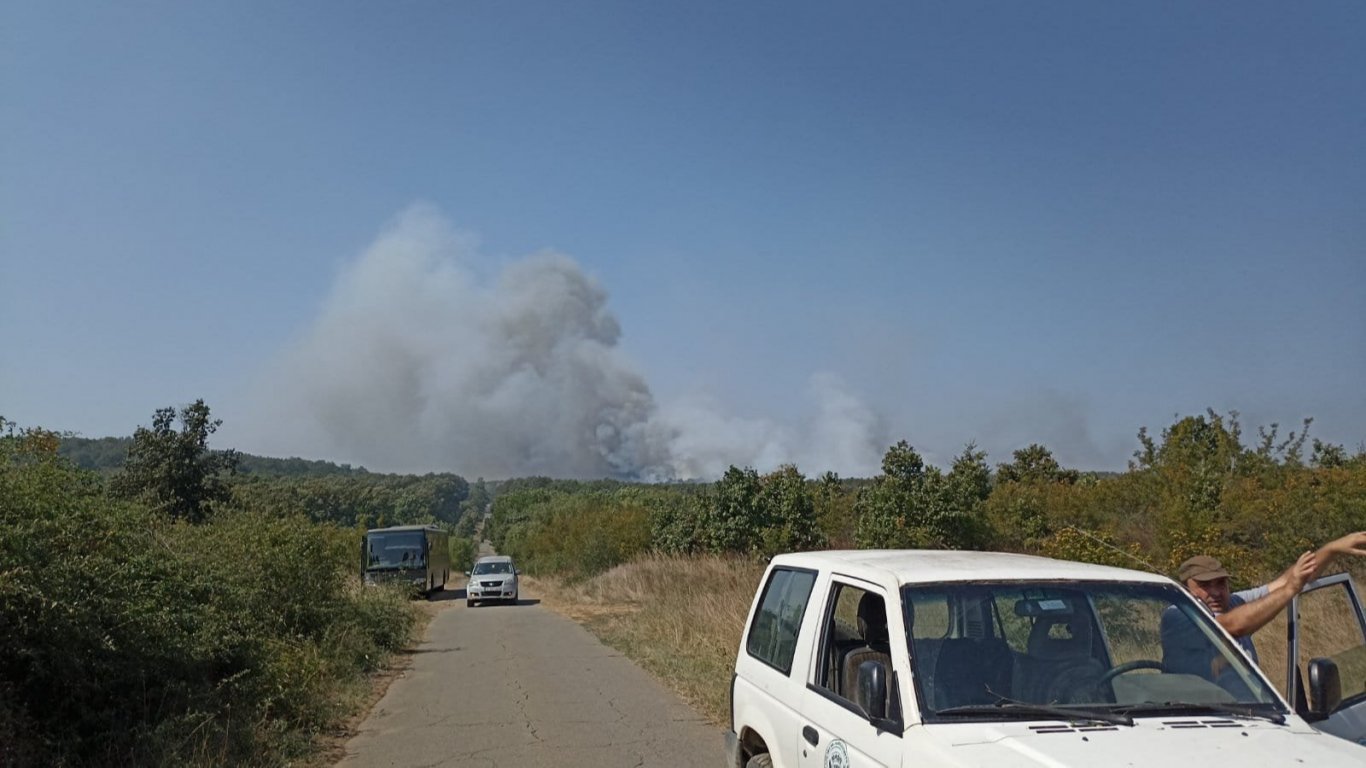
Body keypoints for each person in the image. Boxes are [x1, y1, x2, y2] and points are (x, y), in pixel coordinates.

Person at [1161, 532, 1366, 684]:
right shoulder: (1178, 615)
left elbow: (1290, 580)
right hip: (1199, 714)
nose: (1215, 592)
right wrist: (1291, 589)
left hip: (1250, 712)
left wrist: (1332, 548)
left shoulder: (1234, 602)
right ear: (1185, 588)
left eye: (1220, 583)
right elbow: (1233, 625)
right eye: (1205, 585)